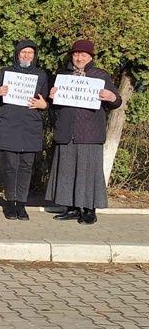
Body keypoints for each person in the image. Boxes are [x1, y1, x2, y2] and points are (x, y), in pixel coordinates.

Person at [46, 40, 121, 224]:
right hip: (67, 131)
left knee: (88, 172)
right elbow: (54, 108)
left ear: (90, 57)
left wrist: (111, 96)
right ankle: (71, 208)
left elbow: (117, 101)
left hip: (90, 132)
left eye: (83, 55)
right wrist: (52, 97)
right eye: (76, 54)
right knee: (67, 171)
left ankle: (89, 210)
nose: (79, 58)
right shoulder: (62, 76)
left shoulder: (100, 76)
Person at [0, 39, 49, 220]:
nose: (26, 55)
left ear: (35, 55)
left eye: (30, 52)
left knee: (26, 166)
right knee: (11, 166)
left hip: (30, 126)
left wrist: (44, 105)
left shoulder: (41, 75)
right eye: (23, 52)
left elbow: (47, 100)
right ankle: (10, 203)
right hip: (9, 125)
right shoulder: (6, 72)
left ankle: (21, 204)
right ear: (17, 54)